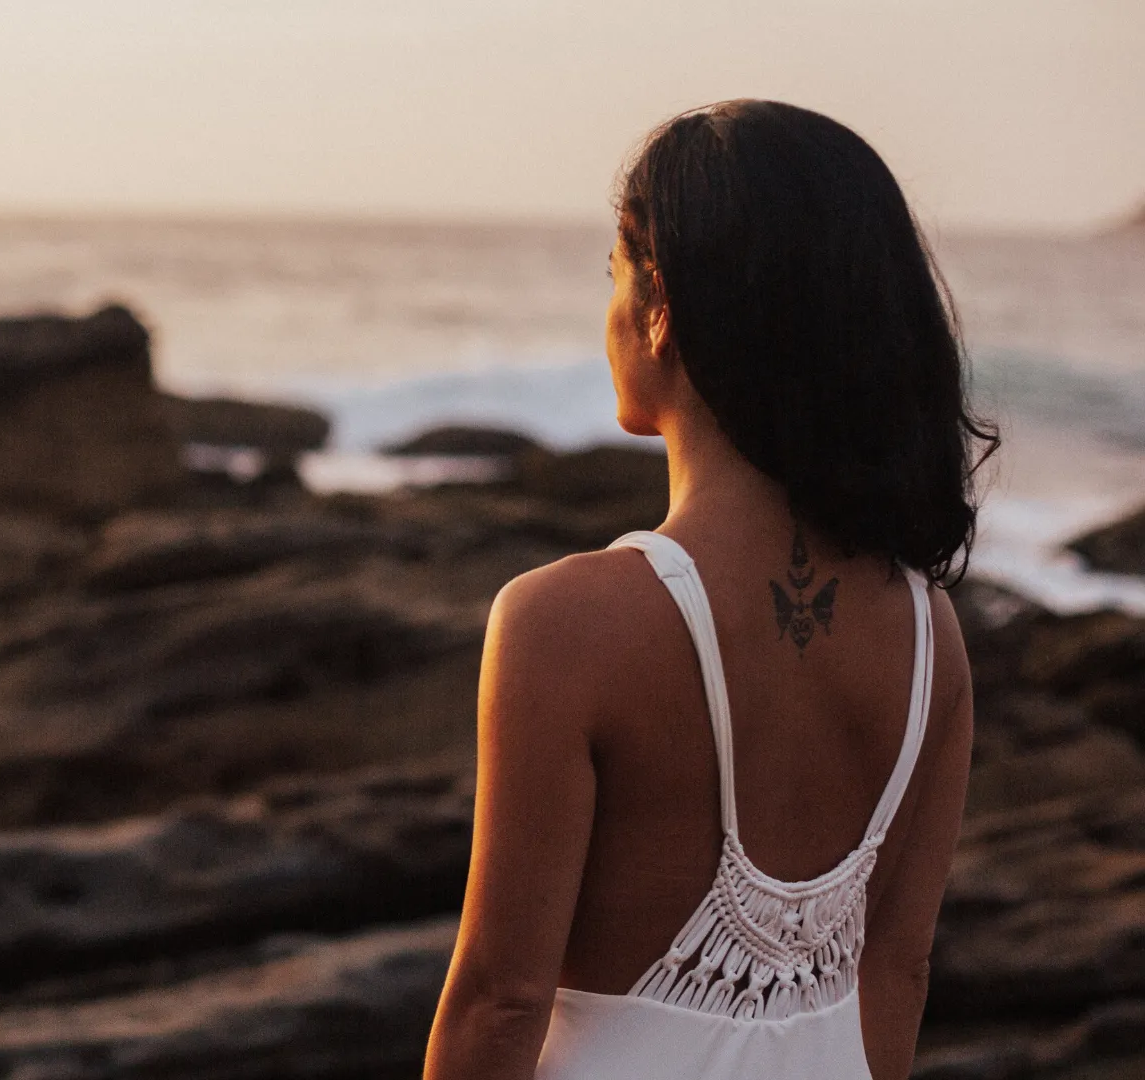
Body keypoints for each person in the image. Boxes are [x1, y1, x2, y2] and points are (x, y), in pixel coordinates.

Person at [423, 100, 994, 1080]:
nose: (605, 314)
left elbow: (500, 1003)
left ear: (662, 310)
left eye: (612, 275)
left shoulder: (566, 626)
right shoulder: (929, 635)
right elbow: (897, 971)